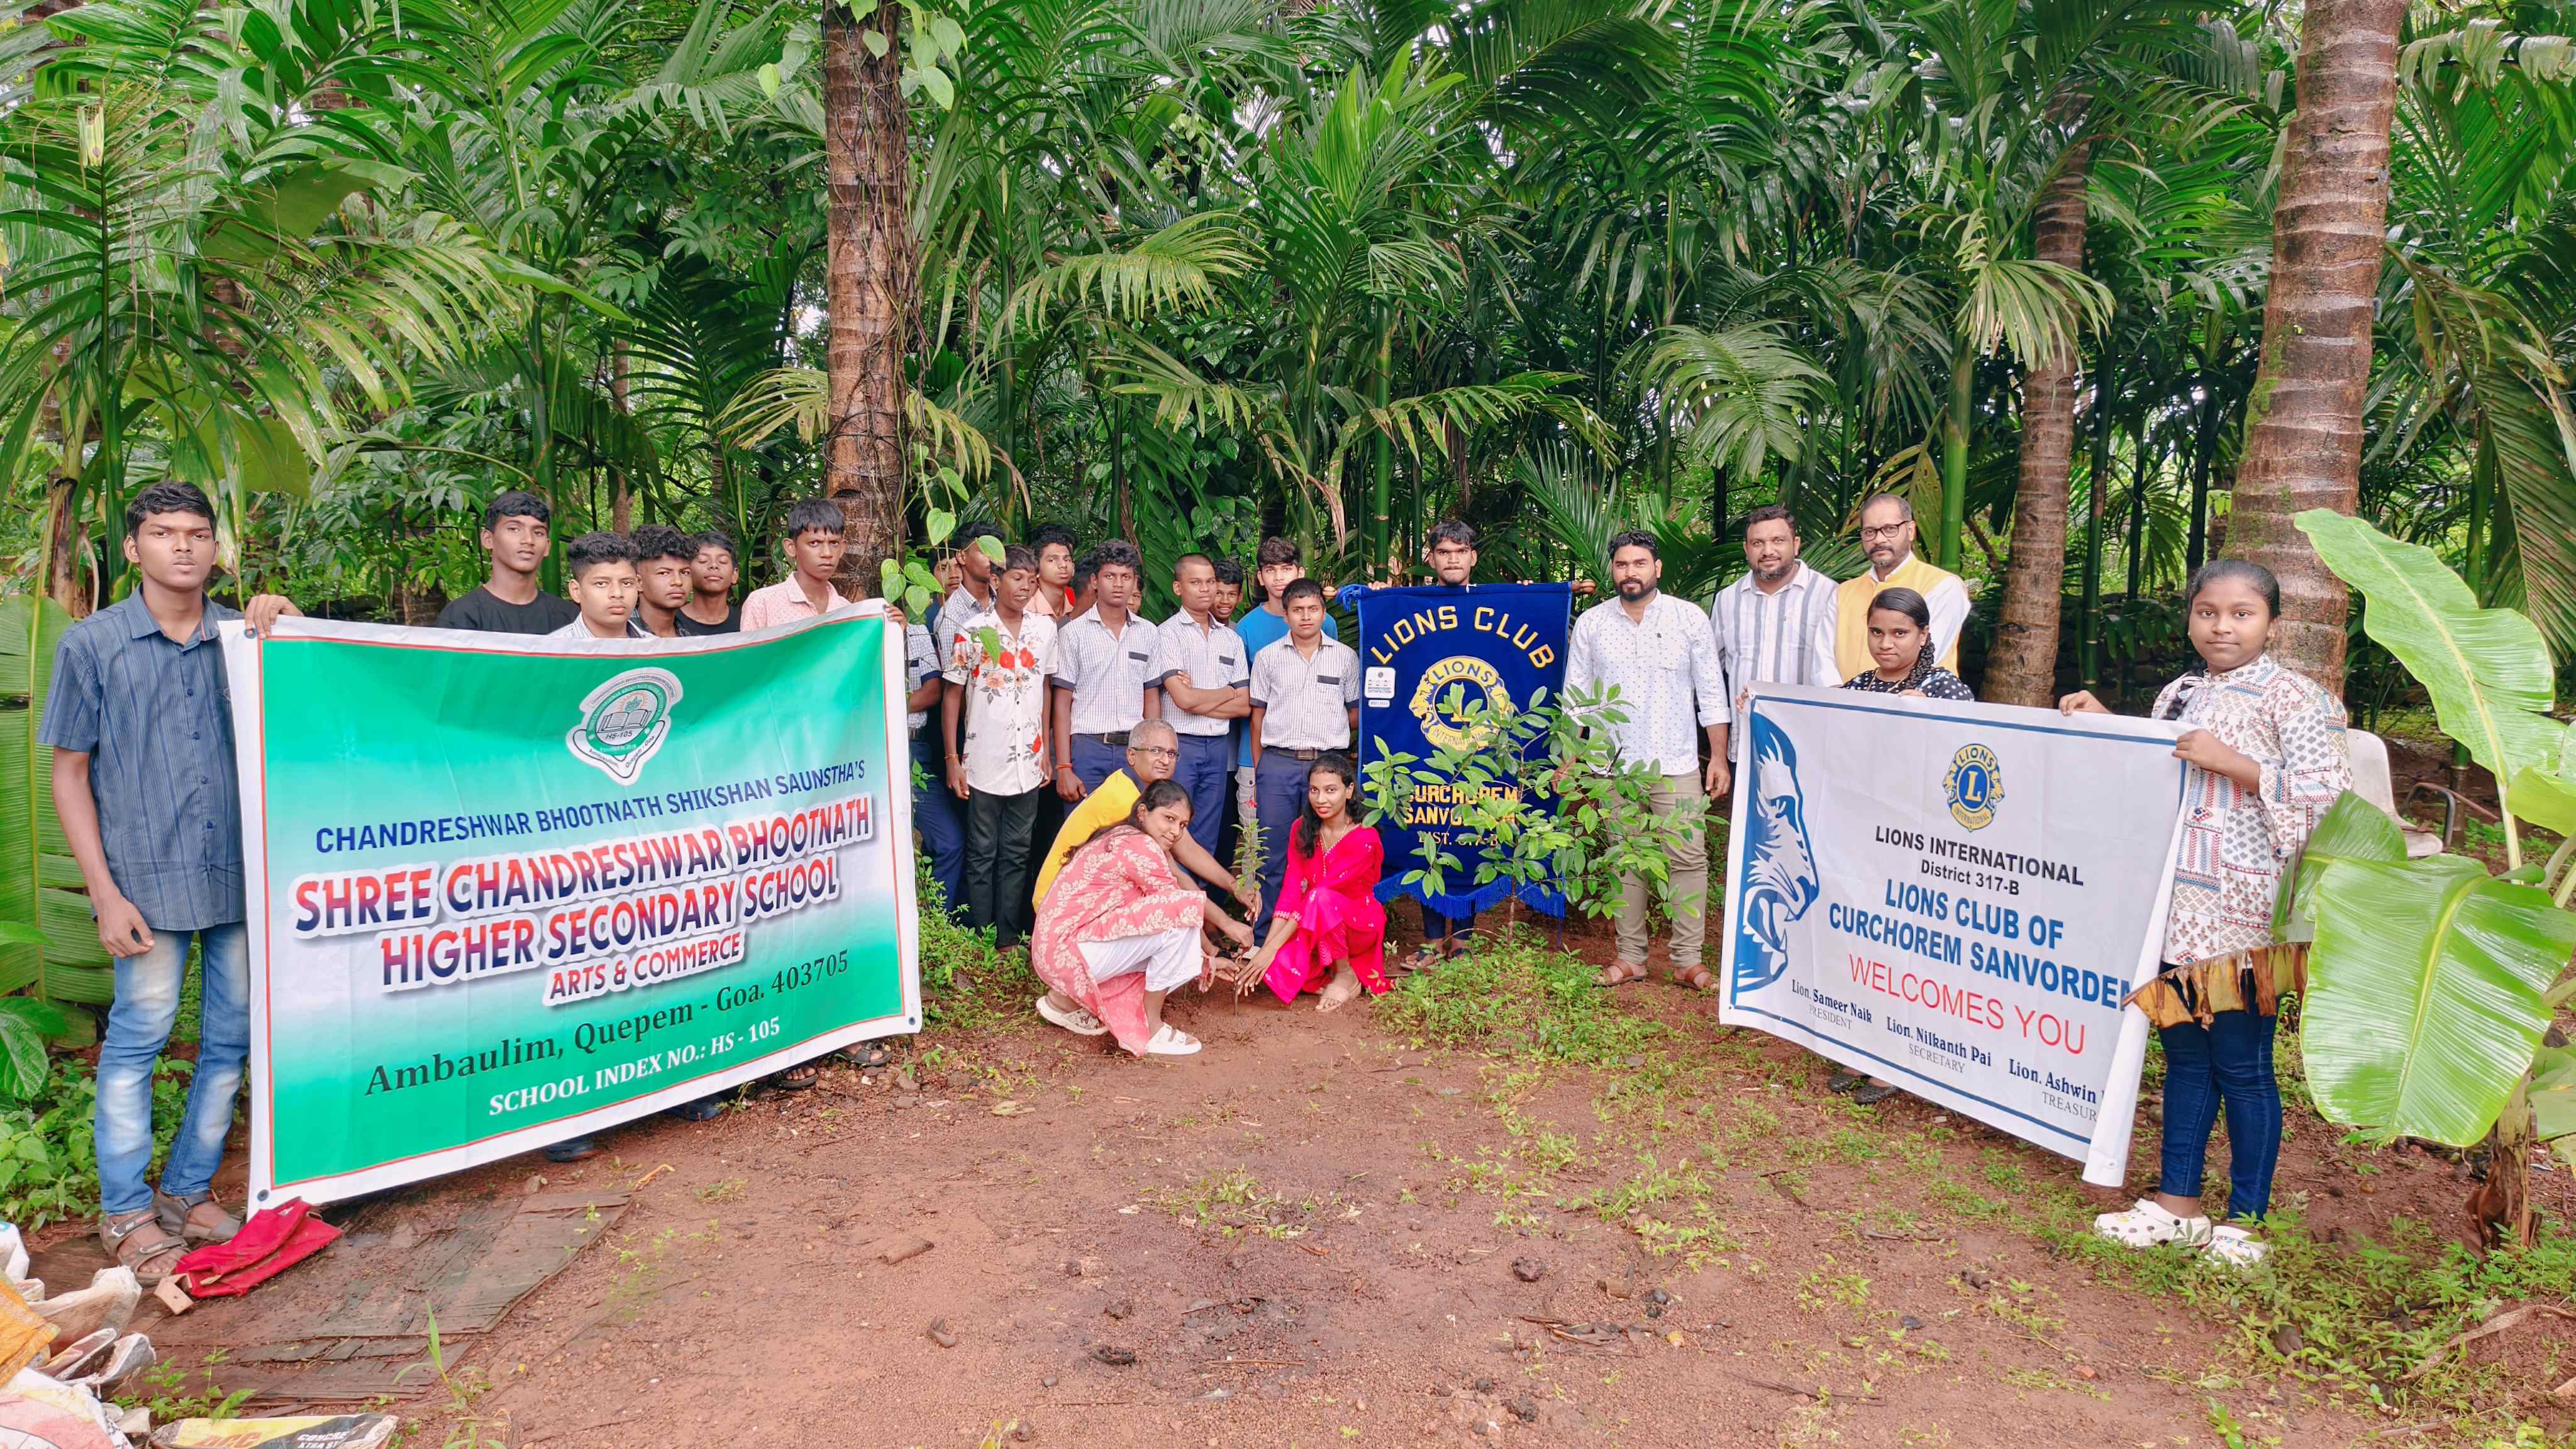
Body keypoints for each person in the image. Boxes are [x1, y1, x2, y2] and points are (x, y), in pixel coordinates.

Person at [42, 482, 297, 1283]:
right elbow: (69, 772)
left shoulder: (246, 638)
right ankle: (124, 1210)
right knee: (137, 1041)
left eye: (197, 533)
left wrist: (287, 622)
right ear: (132, 549)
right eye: (163, 533)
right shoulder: (94, 644)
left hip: (241, 878)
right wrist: (103, 893)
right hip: (144, 881)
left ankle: (187, 1193)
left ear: (216, 547)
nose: (183, 547)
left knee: (230, 1039)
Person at [2075, 561, 2350, 1270]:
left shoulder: (2298, 699)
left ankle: (2247, 1222)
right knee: (2186, 1057)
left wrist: (2242, 766)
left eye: (2240, 614)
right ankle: (2178, 1205)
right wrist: (2110, 728)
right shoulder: (2179, 691)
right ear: (2190, 617)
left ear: (2272, 623)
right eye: (2206, 612)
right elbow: (2152, 772)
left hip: (2246, 911)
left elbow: (2330, 802)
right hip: (2176, 908)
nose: (2221, 627)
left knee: (2243, 1063)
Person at [1567, 530, 1730, 992]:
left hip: (1676, 761)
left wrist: (1717, 756)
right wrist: (1569, 759)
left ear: (1657, 568)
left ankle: (1687, 960)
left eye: (1640, 563)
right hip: (1612, 767)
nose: (1630, 572)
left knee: (1687, 858)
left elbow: (1711, 693)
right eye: (1622, 565)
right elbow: (1575, 700)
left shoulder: (1688, 618)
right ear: (1612, 571)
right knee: (1625, 860)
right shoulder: (1593, 624)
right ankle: (1631, 957)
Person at [1030, 780, 1254, 1057]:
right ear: (1143, 812)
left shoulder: (1124, 836)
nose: (1175, 831)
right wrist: (1227, 924)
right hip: (1067, 955)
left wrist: (1206, 963)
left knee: (1171, 920)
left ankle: (1062, 1002)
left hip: (1054, 952)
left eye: (1182, 825)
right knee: (1175, 921)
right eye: (1169, 819)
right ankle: (1151, 1028)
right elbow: (1175, 908)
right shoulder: (1140, 846)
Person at [943, 545, 1057, 947]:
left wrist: (1045, 750)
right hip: (982, 761)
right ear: (995, 580)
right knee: (981, 853)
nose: (1025, 586)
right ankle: (979, 938)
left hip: (1029, 761)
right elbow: (953, 695)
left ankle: (1007, 937)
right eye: (1016, 577)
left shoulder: (1044, 630)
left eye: (1031, 580)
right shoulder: (973, 630)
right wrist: (953, 760)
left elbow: (1044, 686)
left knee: (1017, 853)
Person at [1033, 719, 1257, 913]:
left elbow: (1189, 849)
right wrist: (1225, 925)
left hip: (1082, 898)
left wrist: (1236, 887)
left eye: (1171, 753)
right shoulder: (1123, 797)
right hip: (1058, 905)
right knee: (1162, 900)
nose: (1165, 760)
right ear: (1131, 756)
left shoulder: (1146, 794)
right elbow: (1175, 872)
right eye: (1155, 751)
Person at [1399, 519, 1486, 971]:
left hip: (1483, 750)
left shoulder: (1496, 603)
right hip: (1424, 748)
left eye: (1461, 551)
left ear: (1474, 557)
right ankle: (1432, 940)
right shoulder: (1411, 604)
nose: (1452, 559)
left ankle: (1464, 941)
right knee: (1430, 836)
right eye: (1444, 552)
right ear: (1430, 558)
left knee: (1471, 837)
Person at [1248, 579, 1359, 931]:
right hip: (1278, 764)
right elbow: (1257, 718)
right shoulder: (1268, 658)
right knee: (1274, 853)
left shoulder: (1345, 657)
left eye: (1313, 609)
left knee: (1326, 852)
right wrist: (1260, 769)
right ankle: (1267, 934)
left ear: (1324, 613)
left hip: (1327, 764)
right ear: (1286, 615)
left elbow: (1355, 711)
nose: (1306, 617)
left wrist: (1331, 730)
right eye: (1297, 610)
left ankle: (1321, 934)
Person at [1245, 754, 1387, 1013]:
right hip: (1313, 917)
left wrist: (1272, 949)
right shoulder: (1302, 828)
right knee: (1275, 969)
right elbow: (1290, 889)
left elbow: (1321, 894)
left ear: (1349, 790)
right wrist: (1266, 949)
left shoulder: (1365, 836)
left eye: (1331, 790)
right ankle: (1326, 972)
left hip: (1358, 924)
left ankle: (1345, 973)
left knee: (1320, 896)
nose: (1320, 799)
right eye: (1314, 790)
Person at [1709, 505, 1842, 750]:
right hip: (1746, 743)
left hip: (1808, 744)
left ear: (1796, 543)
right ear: (1746, 549)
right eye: (1758, 543)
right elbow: (1711, 675)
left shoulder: (1828, 595)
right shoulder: (1727, 599)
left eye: (1778, 540)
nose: (1768, 551)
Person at [1148, 553, 1250, 867]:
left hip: (1218, 748)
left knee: (1206, 834)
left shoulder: (1230, 639)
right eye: (1196, 582)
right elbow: (1183, 701)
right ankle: (1170, 910)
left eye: (1210, 582)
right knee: (1171, 831)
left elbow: (1244, 705)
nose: (1206, 590)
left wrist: (1200, 698)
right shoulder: (1167, 634)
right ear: (1178, 587)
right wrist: (1227, 692)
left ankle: (1199, 913)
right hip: (1181, 746)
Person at [1049, 540, 1161, 795]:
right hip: (1087, 749)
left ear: (1135, 581)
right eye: (1110, 576)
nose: (1119, 584)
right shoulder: (1073, 634)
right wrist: (1064, 767)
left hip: (1135, 751)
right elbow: (1062, 703)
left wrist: (1153, 754)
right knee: (1086, 833)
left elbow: (1151, 697)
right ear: (1095, 581)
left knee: (1133, 831)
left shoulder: (1149, 633)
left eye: (1126, 577)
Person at [1830, 493, 1968, 682]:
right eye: (1870, 531)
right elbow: (1823, 663)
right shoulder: (1842, 593)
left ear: (1911, 530)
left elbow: (1927, 656)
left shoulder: (1942, 586)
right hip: (1842, 705)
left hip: (1917, 704)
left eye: (1889, 529)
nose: (1879, 539)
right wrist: (1839, 700)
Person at [435, 490, 578, 633]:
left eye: (538, 533)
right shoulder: (460, 617)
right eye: (514, 529)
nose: (528, 540)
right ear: (488, 540)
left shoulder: (569, 618)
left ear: (547, 547)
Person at [907, 608, 967, 916]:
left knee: (949, 841)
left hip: (913, 748)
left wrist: (883, 700)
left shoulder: (914, 630)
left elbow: (933, 691)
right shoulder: (848, 627)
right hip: (865, 748)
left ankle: (938, 924)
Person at [1839, 587, 1975, 701]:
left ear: (1923, 635)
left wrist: (1928, 713)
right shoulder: (1859, 683)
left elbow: (1966, 732)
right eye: (1877, 632)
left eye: (1899, 633)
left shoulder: (1944, 687)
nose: (1885, 644)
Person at [740, 500, 856, 631]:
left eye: (834, 543)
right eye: (814, 543)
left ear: (842, 548)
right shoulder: (762, 604)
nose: (827, 553)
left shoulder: (847, 611)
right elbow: (750, 652)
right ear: (791, 547)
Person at [550, 533, 650, 639]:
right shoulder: (552, 651)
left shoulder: (656, 649)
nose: (617, 593)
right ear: (576, 591)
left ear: (638, 583)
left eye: (626, 583)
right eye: (601, 584)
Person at [631, 526, 697, 638]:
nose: (678, 581)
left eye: (685, 572)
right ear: (638, 582)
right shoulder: (619, 638)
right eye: (664, 573)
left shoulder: (693, 641)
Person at [678, 530, 741, 635]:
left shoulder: (746, 622)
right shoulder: (671, 622)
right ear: (687, 571)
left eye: (723, 561)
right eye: (703, 560)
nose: (714, 565)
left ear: (734, 575)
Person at [1028, 525, 1079, 619]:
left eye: (1067, 559)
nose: (1063, 565)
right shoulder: (1025, 613)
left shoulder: (1078, 611)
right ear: (1036, 568)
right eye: (1053, 560)